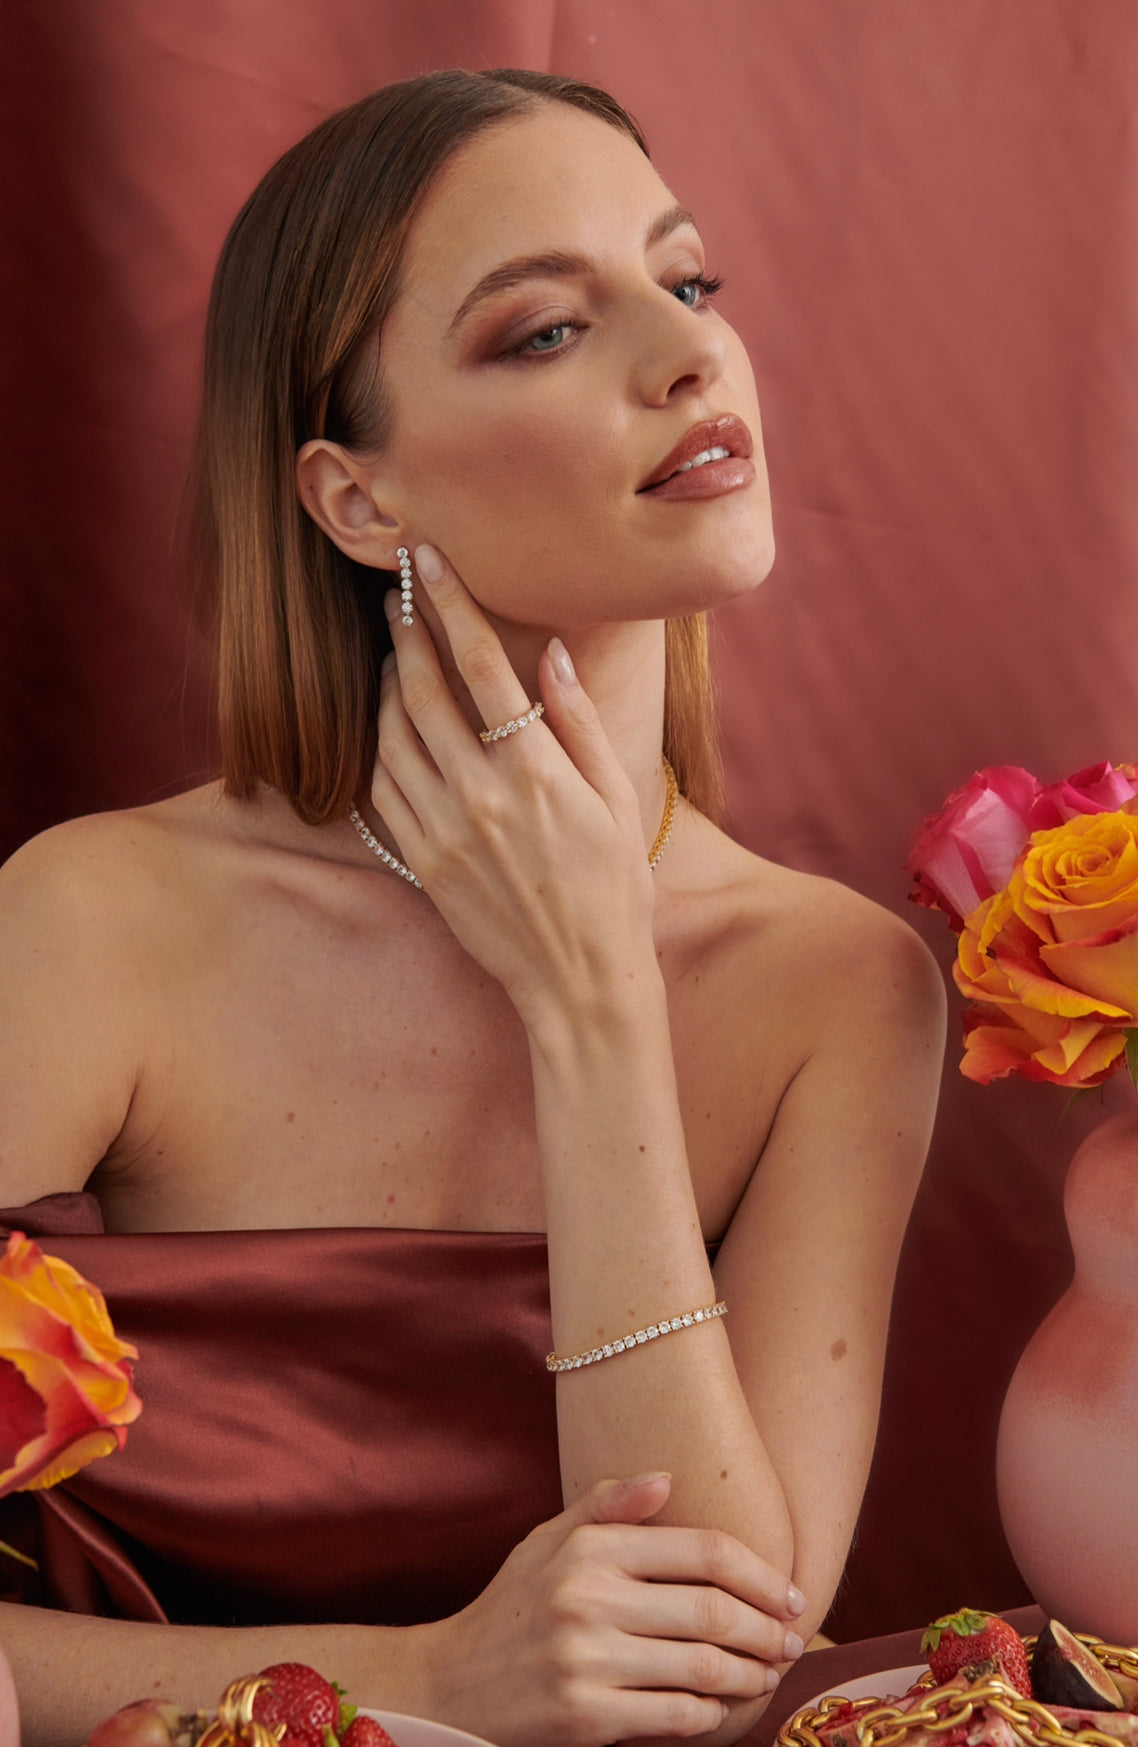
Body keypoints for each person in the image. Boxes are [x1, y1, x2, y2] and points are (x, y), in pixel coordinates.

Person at [0, 68, 945, 1747]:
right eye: (545, 330)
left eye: (687, 281)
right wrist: (432, 1679)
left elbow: (715, 1677)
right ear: (358, 500)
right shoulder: (95, 925)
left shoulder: (837, 986)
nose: (689, 354)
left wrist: (592, 1003)